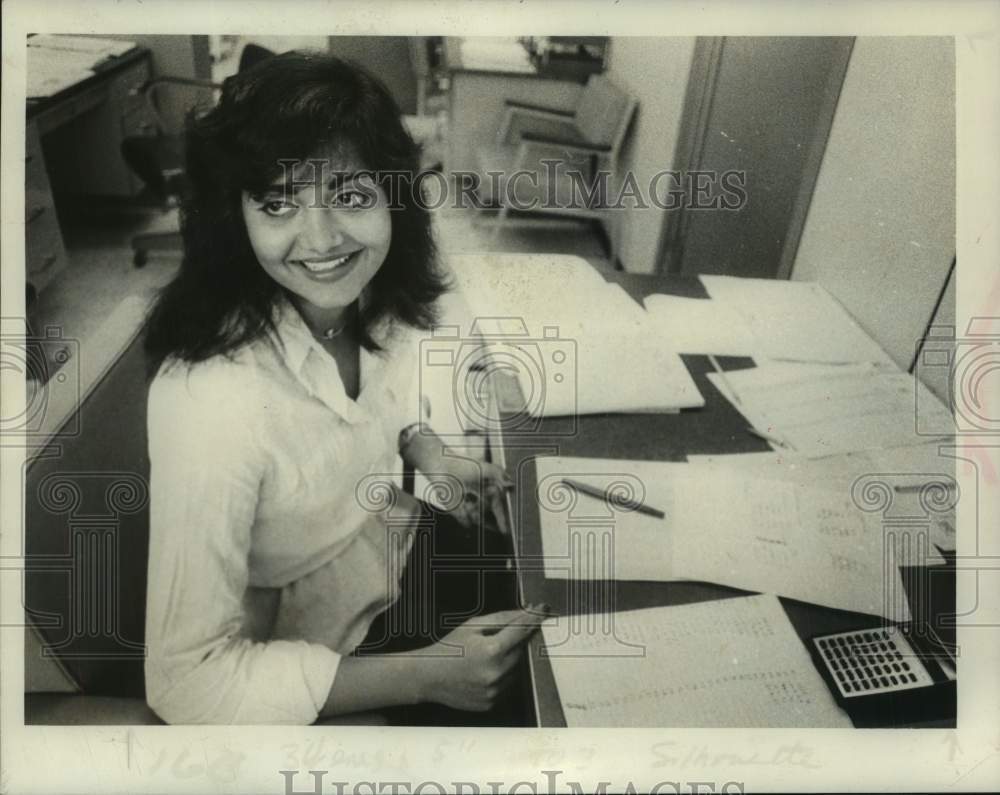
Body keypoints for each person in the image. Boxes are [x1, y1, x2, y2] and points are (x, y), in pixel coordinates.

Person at [142, 50, 543, 725]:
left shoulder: (364, 300)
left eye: (350, 196)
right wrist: (426, 675)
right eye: (278, 203)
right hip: (325, 654)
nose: (321, 239)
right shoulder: (210, 402)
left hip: (390, 544)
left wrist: (427, 452)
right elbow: (185, 682)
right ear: (236, 216)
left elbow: (361, 414)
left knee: (569, 594)